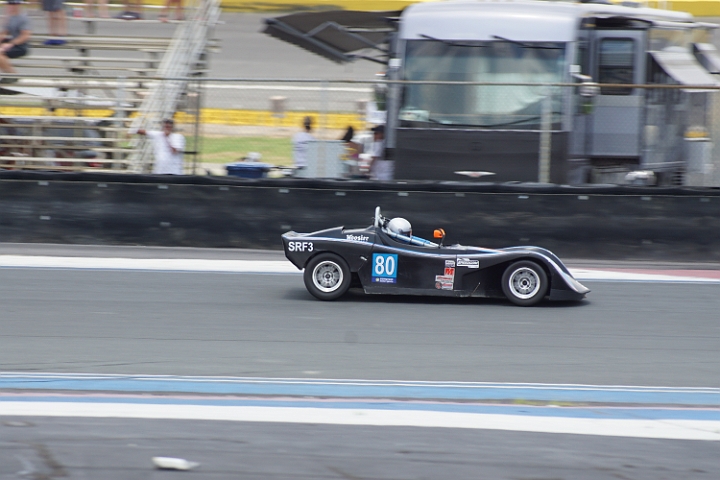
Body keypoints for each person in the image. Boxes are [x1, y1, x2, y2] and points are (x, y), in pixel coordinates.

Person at [0, 0, 30, 80]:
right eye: (10, 4)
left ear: (19, 5)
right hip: (12, 44)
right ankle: (9, 75)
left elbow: (25, 36)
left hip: (21, 46)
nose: (11, 6)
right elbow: (3, 33)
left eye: (14, 4)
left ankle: (13, 75)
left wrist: (10, 44)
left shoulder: (23, 18)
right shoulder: (10, 17)